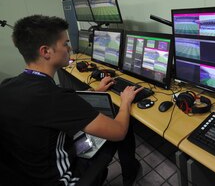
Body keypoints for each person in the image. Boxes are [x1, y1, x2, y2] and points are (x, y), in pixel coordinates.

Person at [0, 15, 142, 186]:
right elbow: (118, 131)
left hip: (24, 174)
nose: (69, 48)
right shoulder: (55, 98)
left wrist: (96, 91)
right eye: (65, 44)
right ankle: (130, 175)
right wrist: (125, 101)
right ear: (46, 51)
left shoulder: (8, 85)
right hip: (63, 180)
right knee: (122, 126)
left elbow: (60, 106)